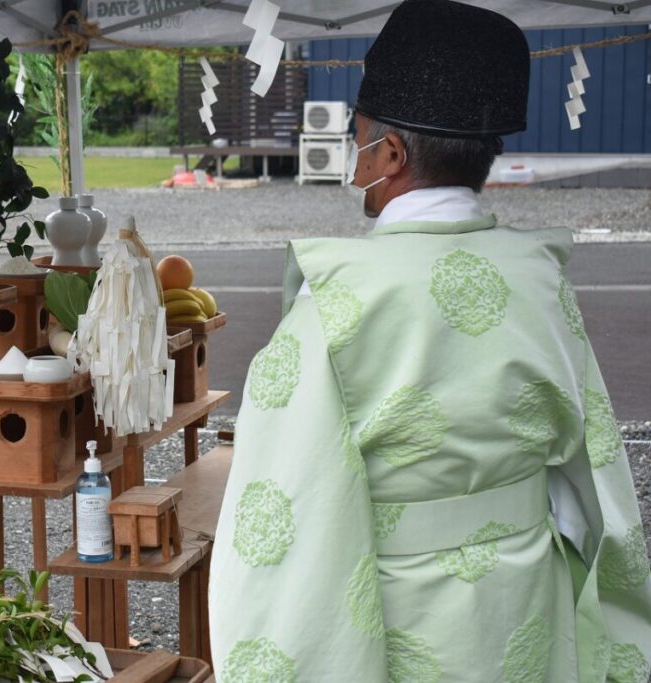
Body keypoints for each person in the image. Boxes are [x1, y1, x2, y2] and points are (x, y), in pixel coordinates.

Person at [208, 1, 651, 680]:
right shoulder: (540, 275)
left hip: (398, 614)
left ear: (388, 154)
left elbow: (286, 495)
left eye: (358, 131)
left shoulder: (335, 295)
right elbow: (588, 467)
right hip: (525, 606)